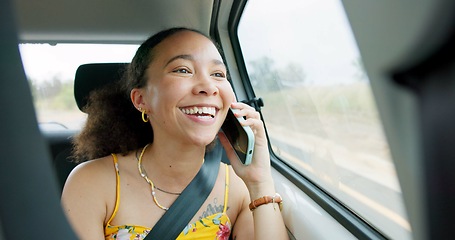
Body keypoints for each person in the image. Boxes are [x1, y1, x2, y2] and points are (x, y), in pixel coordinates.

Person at [61, 27, 288, 240]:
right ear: (141, 100)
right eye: (183, 70)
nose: (209, 87)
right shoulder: (91, 183)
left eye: (218, 74)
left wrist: (260, 182)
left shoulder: (237, 188)